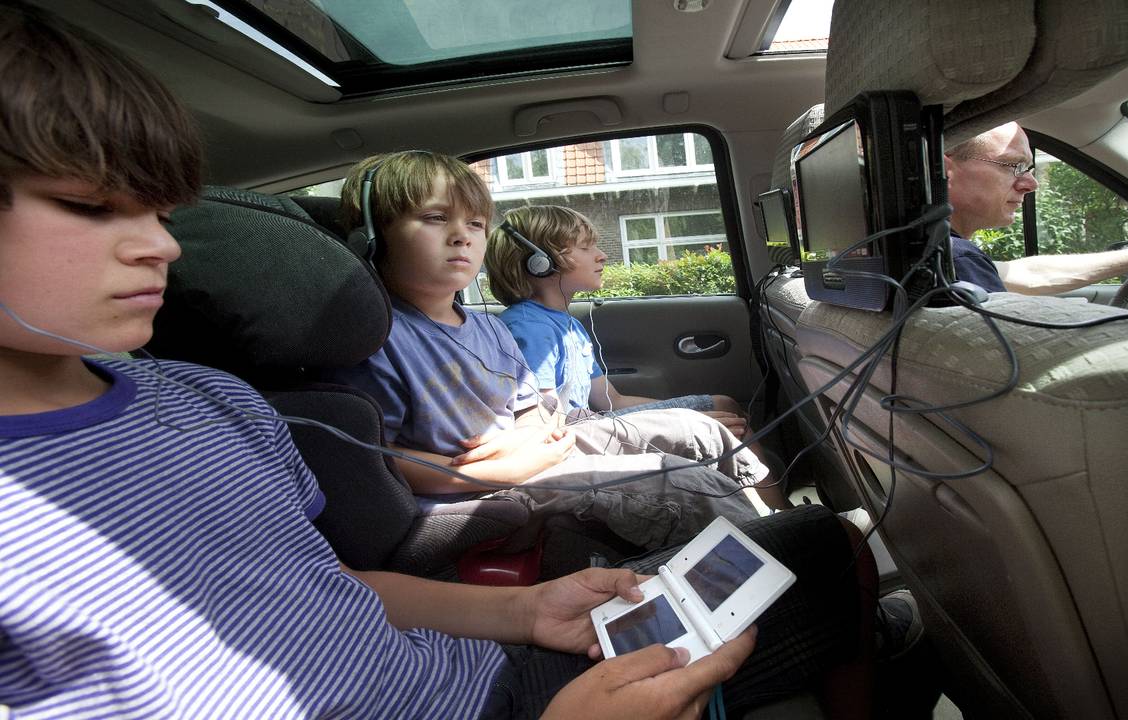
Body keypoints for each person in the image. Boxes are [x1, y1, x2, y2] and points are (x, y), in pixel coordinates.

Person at [0, 4, 885, 718]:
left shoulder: (207, 400)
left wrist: (518, 612)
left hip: (462, 670)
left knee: (821, 544)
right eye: (88, 206)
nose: (161, 246)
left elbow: (325, 585)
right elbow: (440, 469)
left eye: (160, 210)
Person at [324, 151, 786, 529]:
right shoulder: (374, 340)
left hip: (537, 453)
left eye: (476, 224)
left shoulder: (489, 329)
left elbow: (531, 409)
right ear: (369, 237)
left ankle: (779, 525)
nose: (461, 237)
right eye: (435, 217)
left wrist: (527, 441)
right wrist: (492, 470)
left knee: (703, 428)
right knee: (685, 485)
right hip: (479, 490)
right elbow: (371, 457)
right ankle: (780, 550)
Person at [485, 205, 746, 431]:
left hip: (594, 421)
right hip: (576, 433)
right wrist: (685, 423)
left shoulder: (568, 325)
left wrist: (679, 413)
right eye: (586, 247)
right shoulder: (530, 329)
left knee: (726, 406)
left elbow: (611, 400)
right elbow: (545, 420)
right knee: (724, 424)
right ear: (539, 262)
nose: (601, 255)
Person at [945, 121, 1128, 294]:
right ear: (946, 171)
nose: (1031, 184)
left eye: (1030, 168)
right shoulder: (959, 259)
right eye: (1015, 165)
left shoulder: (936, 260)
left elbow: (1030, 274)